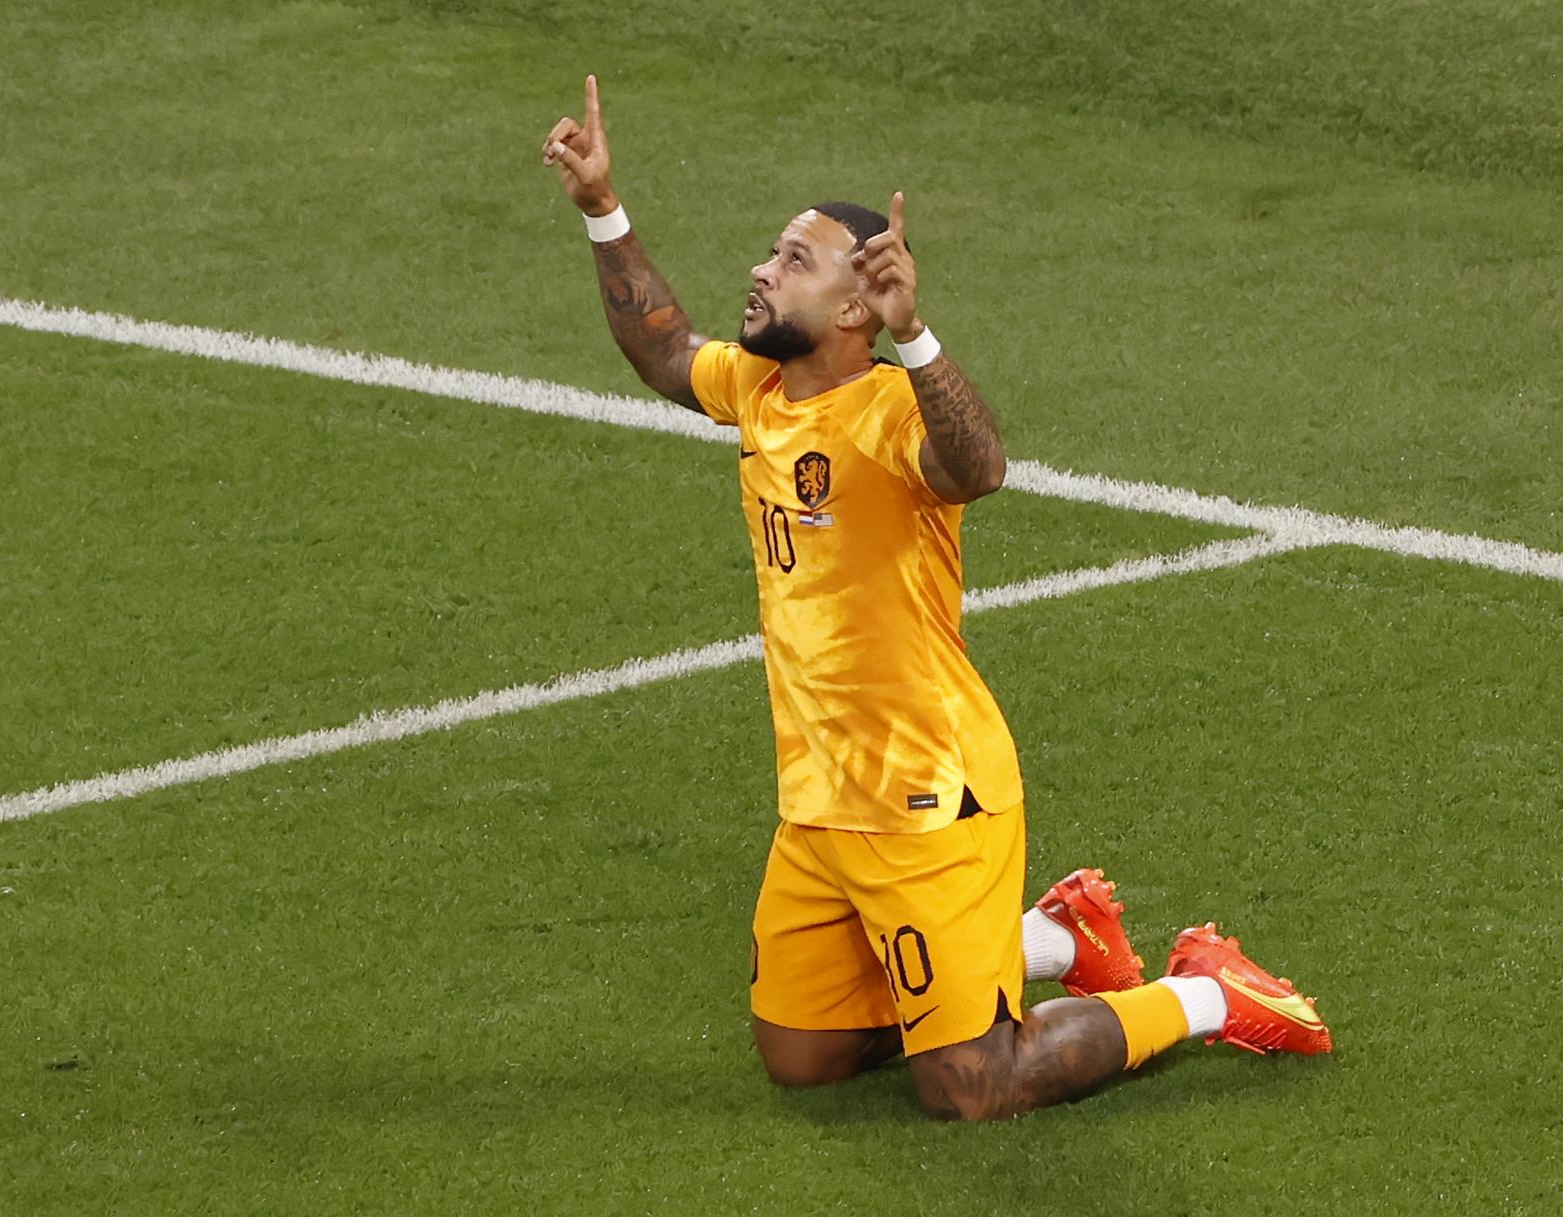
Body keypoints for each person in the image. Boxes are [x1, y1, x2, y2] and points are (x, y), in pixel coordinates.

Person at [543, 76, 1331, 1120]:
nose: (761, 270)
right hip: (820, 802)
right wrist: (602, 207)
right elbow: (662, 348)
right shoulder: (761, 389)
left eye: (793, 261)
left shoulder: (887, 412)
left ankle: (1207, 992)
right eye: (772, 252)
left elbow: (979, 466)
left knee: (971, 1084)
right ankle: (1052, 938)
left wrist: (917, 338)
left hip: (928, 796)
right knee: (801, 1057)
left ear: (856, 308)